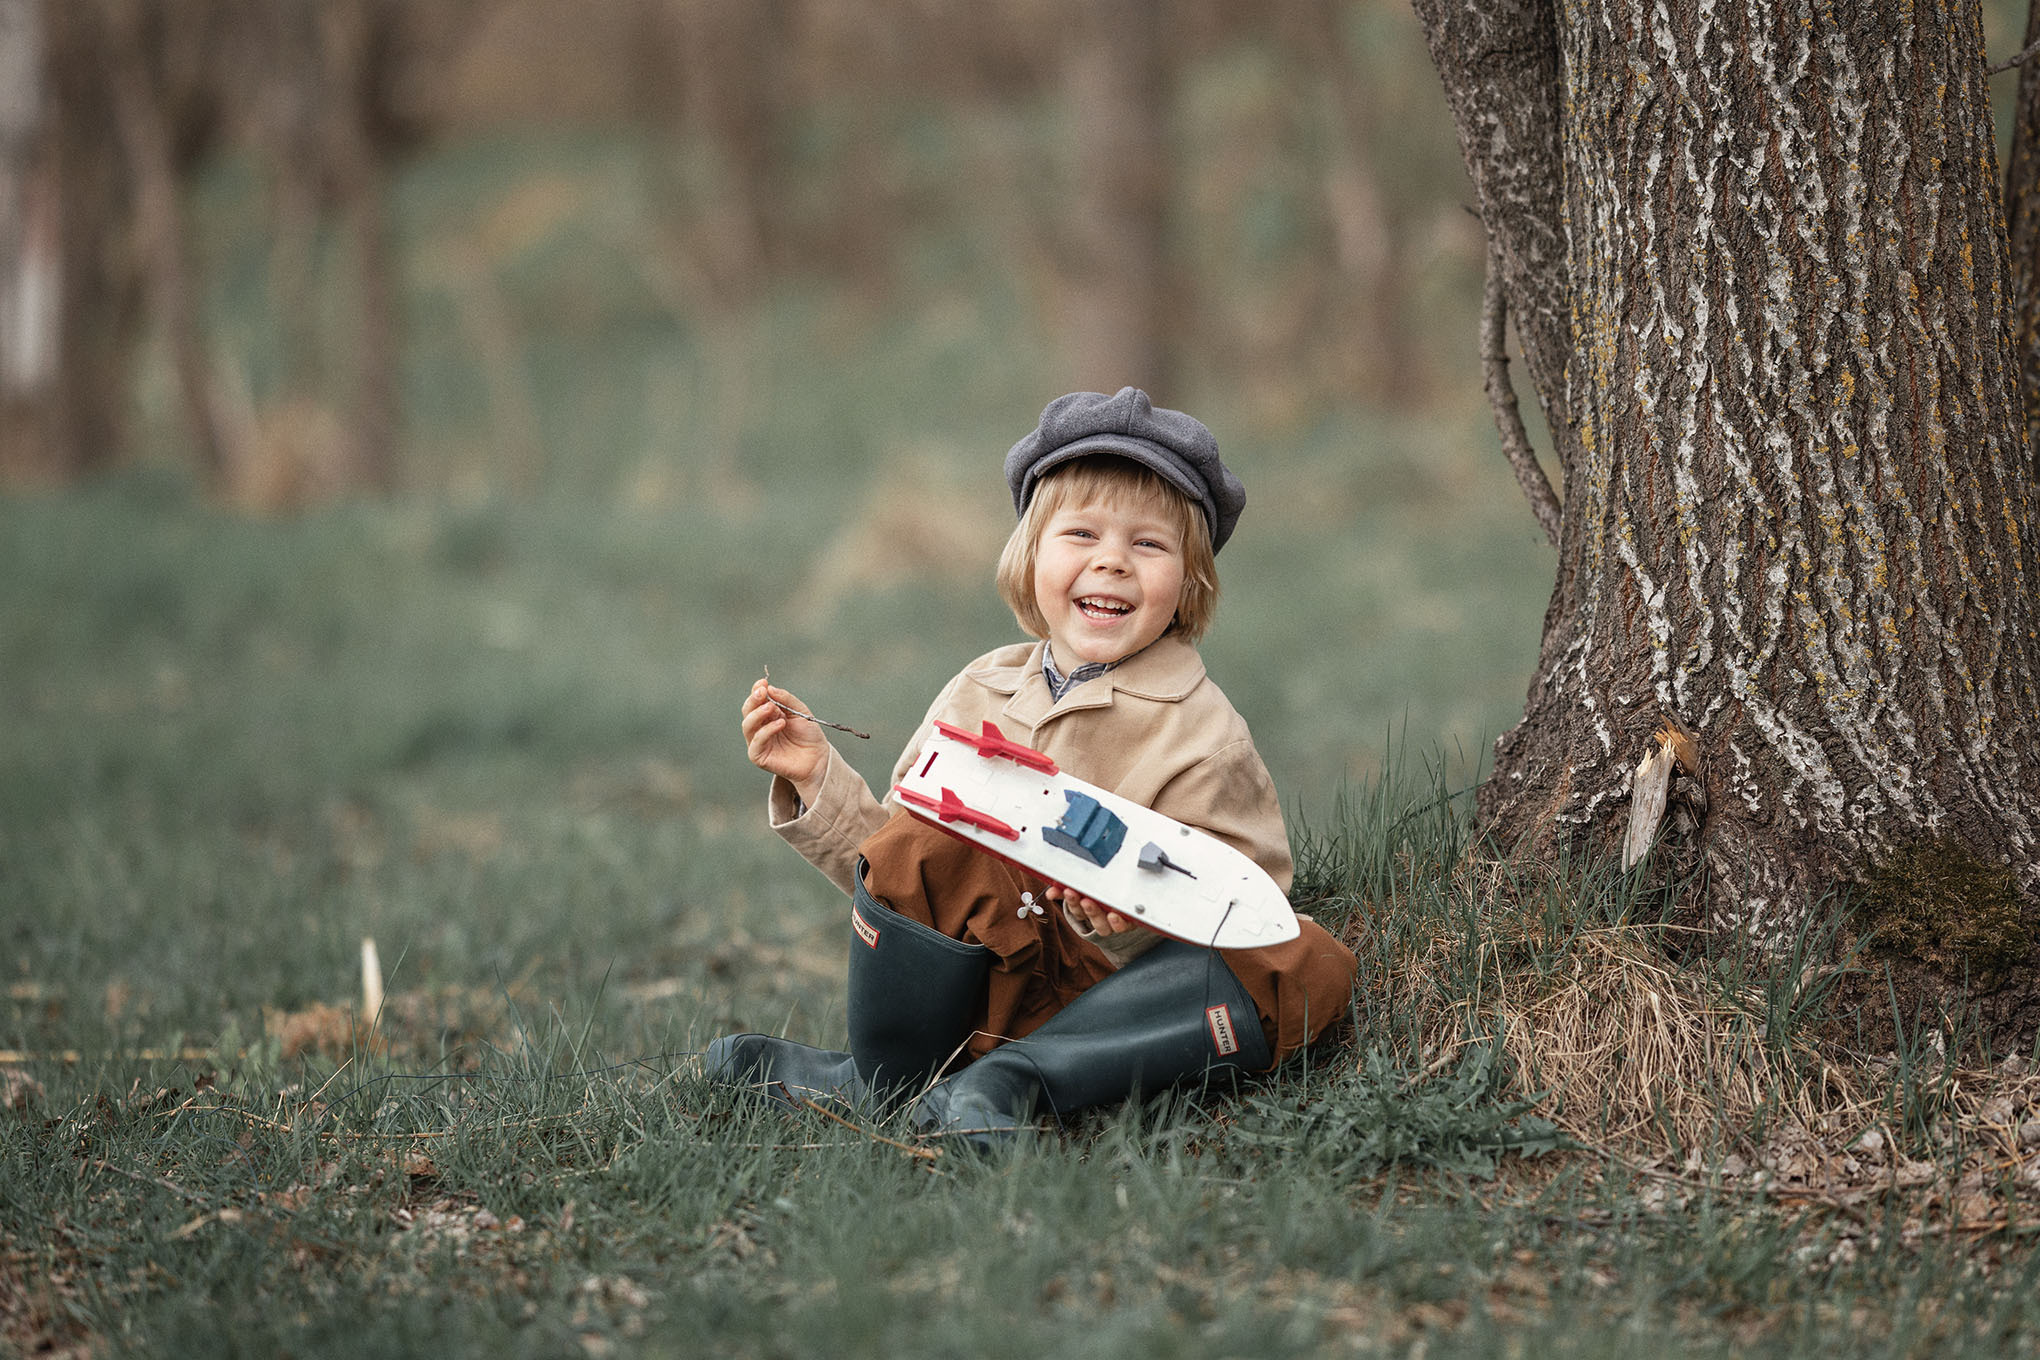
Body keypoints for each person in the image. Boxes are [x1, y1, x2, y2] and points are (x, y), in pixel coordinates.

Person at [706, 386, 1358, 1149]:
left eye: (1148, 545)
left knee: (1306, 959)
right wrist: (820, 778)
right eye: (1082, 534)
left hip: (1105, 1014)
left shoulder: (1201, 732)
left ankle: (1009, 1086)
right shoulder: (980, 687)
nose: (1111, 561)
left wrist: (1129, 929)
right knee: (924, 839)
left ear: (1189, 582)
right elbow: (901, 869)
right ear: (1031, 557)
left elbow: (1241, 911)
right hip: (983, 987)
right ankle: (886, 1081)